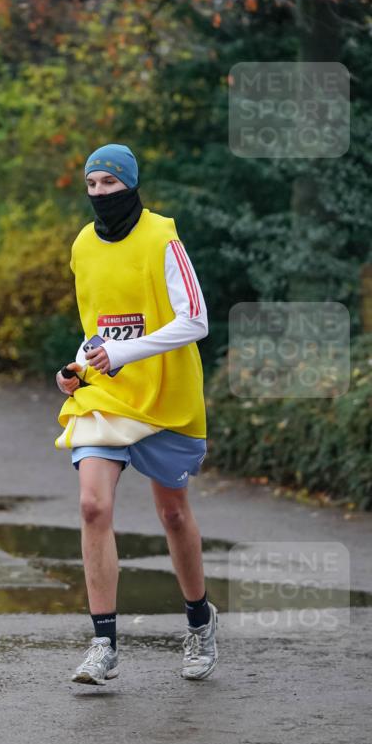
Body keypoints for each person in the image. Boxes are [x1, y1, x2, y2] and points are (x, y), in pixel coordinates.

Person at [55, 143, 217, 686]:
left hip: (166, 394)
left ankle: (199, 620)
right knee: (92, 506)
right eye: (92, 185)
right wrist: (77, 366)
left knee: (173, 515)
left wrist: (123, 352)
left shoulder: (161, 238)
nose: (100, 193)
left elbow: (196, 321)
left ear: (130, 183)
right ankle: (103, 643)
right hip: (105, 395)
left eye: (109, 183)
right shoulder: (82, 244)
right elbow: (95, 328)